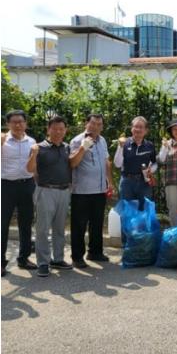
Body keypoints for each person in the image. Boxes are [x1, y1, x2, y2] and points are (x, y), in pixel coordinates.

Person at [26, 116, 73, 277]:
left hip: (64, 191)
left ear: (65, 130)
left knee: (60, 228)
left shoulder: (67, 147)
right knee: (43, 229)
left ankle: (58, 259)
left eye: (61, 129)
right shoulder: (39, 147)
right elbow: (29, 169)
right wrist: (33, 154)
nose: (58, 132)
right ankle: (43, 263)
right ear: (48, 129)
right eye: (55, 129)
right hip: (45, 191)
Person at [69, 114, 114, 268]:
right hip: (81, 191)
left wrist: (110, 182)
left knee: (97, 223)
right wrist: (83, 147)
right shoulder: (77, 140)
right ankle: (77, 257)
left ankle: (95, 252)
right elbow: (72, 163)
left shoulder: (102, 140)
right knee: (79, 225)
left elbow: (106, 162)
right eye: (93, 123)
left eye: (99, 124)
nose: (96, 127)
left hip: (99, 189)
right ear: (86, 123)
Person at [1, 110, 37, 276]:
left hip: (27, 185)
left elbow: (34, 165)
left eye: (21, 121)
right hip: (5, 186)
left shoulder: (32, 142)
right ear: (8, 124)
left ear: (25, 123)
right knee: (2, 224)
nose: (18, 125)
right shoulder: (2, 140)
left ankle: (24, 258)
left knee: (26, 223)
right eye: (14, 122)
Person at [114, 116, 157, 210]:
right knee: (127, 210)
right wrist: (120, 147)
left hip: (144, 182)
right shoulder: (124, 143)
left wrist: (151, 170)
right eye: (135, 126)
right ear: (131, 129)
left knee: (144, 210)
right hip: (127, 182)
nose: (138, 129)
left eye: (141, 127)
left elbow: (154, 163)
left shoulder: (149, 145)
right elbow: (117, 164)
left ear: (146, 130)